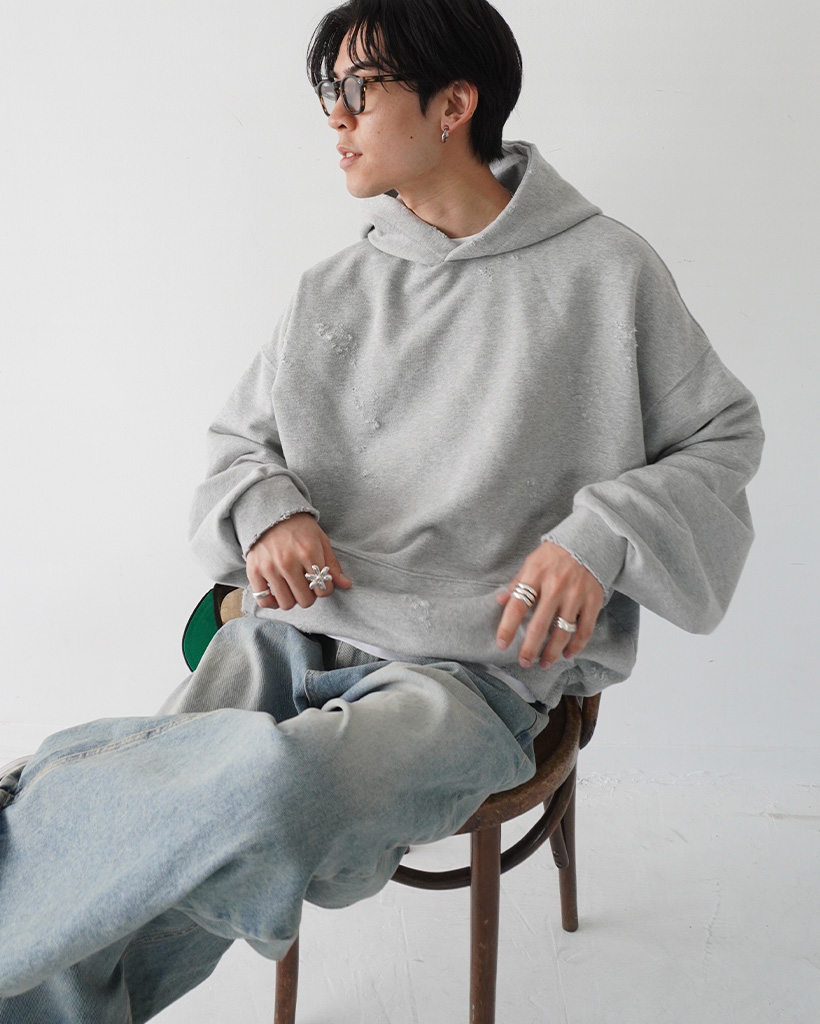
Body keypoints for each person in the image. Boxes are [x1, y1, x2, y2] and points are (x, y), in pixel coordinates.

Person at [0, 0, 763, 1019]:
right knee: (187, 830)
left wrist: (600, 534)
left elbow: (721, 437)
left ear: (454, 105)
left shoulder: (607, 272)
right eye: (330, 92)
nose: (336, 116)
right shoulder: (332, 289)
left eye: (359, 89)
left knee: (251, 798)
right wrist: (268, 509)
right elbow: (237, 448)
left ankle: (43, 790)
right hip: (296, 633)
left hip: (475, 678)